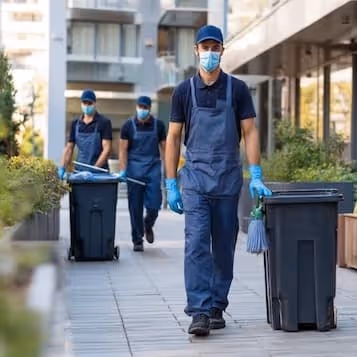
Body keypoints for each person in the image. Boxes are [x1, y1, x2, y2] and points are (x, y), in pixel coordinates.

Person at [164, 25, 272, 337]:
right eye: (204, 47)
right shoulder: (183, 91)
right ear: (195, 51)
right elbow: (173, 138)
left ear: (222, 50)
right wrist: (171, 183)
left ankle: (216, 305)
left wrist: (256, 174)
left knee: (223, 247)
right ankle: (198, 310)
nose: (210, 53)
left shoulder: (237, 89)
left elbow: (250, 132)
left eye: (215, 47)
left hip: (227, 181)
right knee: (196, 243)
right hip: (195, 180)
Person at [118, 96, 166, 252]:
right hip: (134, 170)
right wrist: (123, 169)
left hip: (153, 169)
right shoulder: (128, 126)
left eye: (145, 107)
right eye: (140, 106)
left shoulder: (158, 125)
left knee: (155, 204)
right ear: (136, 107)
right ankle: (137, 239)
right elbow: (123, 149)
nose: (142, 109)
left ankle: (148, 223)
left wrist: (169, 171)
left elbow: (165, 148)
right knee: (135, 207)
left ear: (150, 109)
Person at [58, 89, 113, 177]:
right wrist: (62, 167)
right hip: (79, 173)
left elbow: (107, 149)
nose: (87, 106)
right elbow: (69, 148)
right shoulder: (75, 124)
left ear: (95, 104)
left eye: (89, 103)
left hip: (99, 174)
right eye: (84, 103)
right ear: (81, 104)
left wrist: (94, 169)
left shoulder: (104, 122)